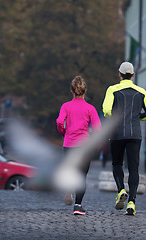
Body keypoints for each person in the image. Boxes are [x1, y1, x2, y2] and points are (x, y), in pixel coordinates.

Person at [102, 62, 146, 215]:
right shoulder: (141, 91)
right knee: (133, 168)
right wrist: (137, 118)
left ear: (119, 74)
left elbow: (106, 110)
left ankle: (121, 190)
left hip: (117, 133)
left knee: (117, 163)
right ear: (133, 75)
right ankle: (132, 202)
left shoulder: (112, 89)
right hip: (135, 134)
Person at [56, 75, 101, 215]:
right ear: (85, 91)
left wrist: (64, 132)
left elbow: (59, 121)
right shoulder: (90, 108)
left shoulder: (66, 106)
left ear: (72, 91)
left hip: (69, 144)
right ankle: (78, 206)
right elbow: (98, 128)